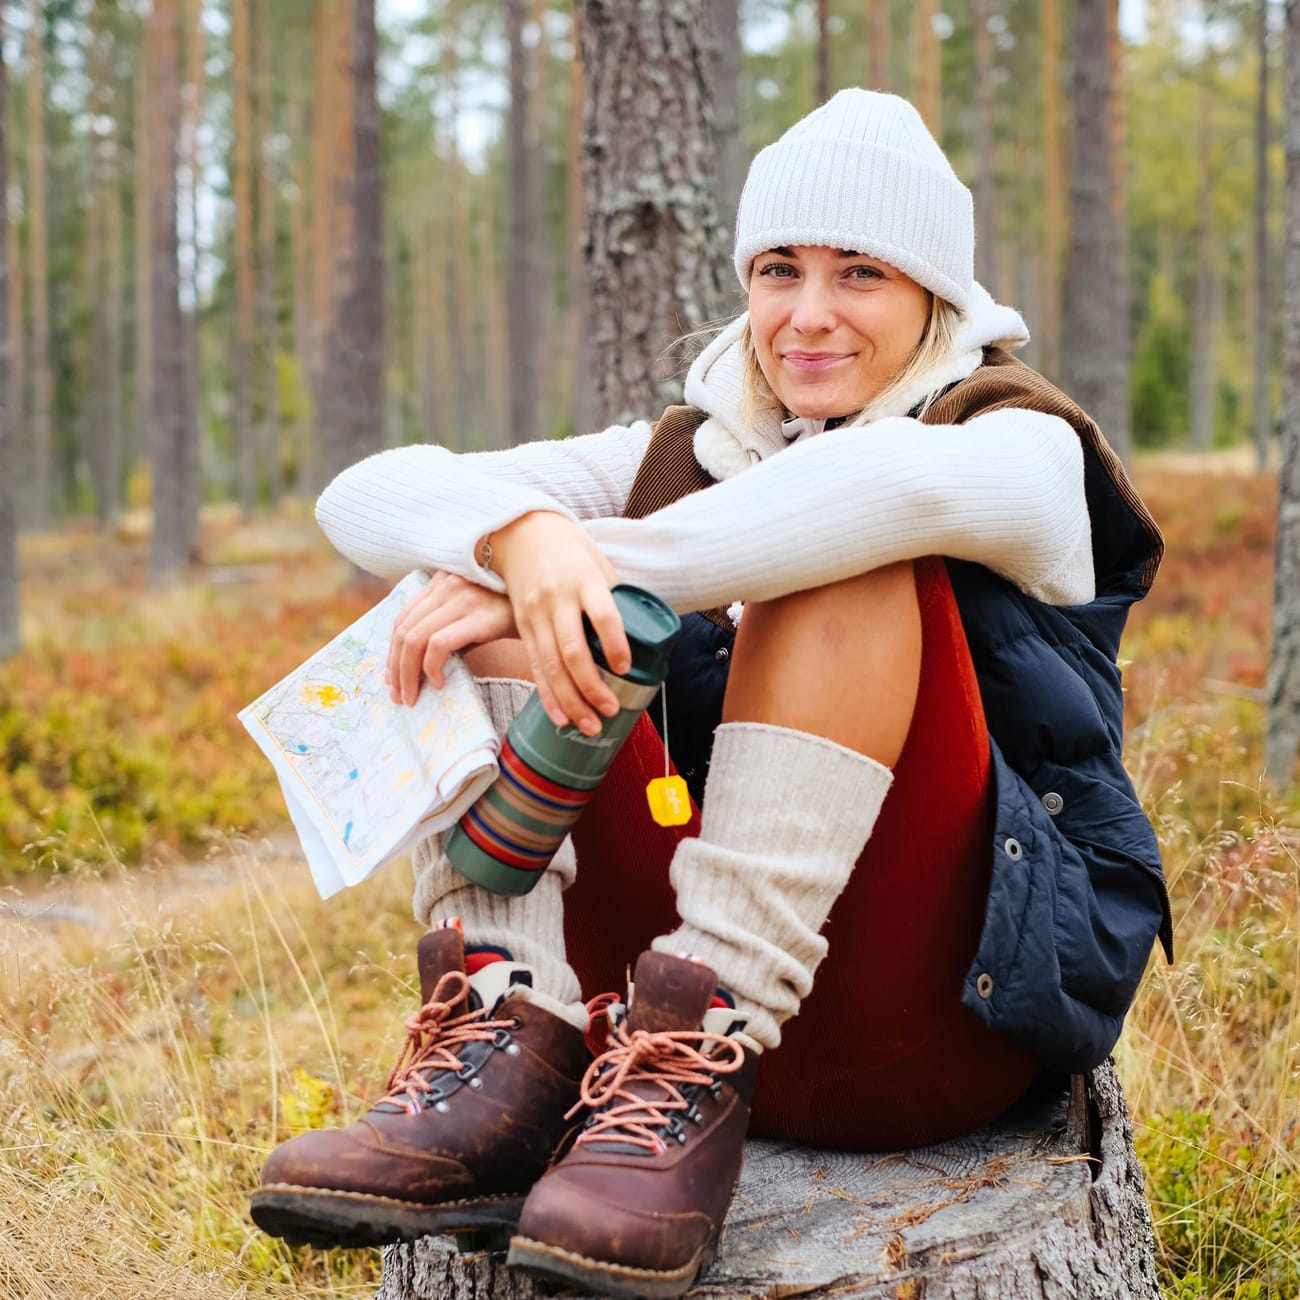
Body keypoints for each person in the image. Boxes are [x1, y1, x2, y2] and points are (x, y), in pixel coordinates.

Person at [250, 90, 1171, 1299]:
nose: (808, 313)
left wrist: (581, 563)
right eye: (779, 269)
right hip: (624, 1052)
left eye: (861, 274)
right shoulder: (690, 447)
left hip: (933, 1016)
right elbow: (366, 493)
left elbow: (877, 492)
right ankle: (503, 1037)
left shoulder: (1019, 446)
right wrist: (520, 543)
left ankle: (706, 1035)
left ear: (936, 297)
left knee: (829, 560)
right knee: (458, 567)